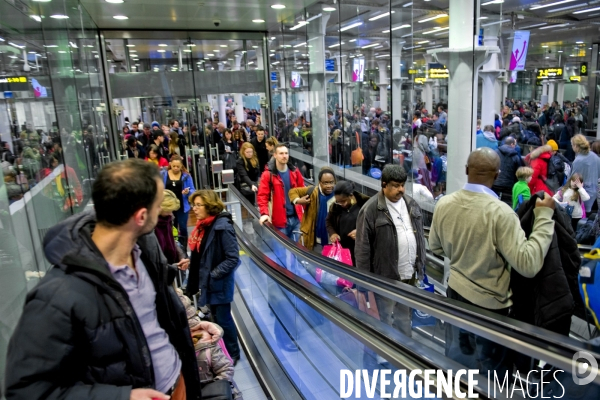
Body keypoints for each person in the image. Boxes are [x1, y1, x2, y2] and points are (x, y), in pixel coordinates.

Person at [4, 159, 213, 400]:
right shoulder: (56, 295)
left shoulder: (143, 250)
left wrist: (184, 327)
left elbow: (146, 316)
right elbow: (27, 390)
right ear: (141, 216)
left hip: (177, 383)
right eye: (158, 207)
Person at [429, 147, 555, 375]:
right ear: (497, 175)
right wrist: (545, 217)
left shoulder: (444, 204)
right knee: (492, 377)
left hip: (455, 296)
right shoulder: (502, 213)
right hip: (491, 309)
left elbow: (435, 247)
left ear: (467, 170)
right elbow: (528, 264)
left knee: (456, 367)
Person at [355, 164, 427, 339]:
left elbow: (419, 238)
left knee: (404, 316)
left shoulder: (411, 204)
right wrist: (363, 283)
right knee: (384, 317)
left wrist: (421, 268)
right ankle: (385, 353)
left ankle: (405, 350)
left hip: (409, 274)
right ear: (384, 185)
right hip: (385, 276)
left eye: (402, 185)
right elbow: (362, 249)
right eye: (395, 185)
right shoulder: (371, 210)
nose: (400, 189)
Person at [185, 190, 241, 365]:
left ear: (209, 206)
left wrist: (213, 274)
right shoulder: (204, 226)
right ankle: (221, 350)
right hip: (210, 282)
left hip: (219, 283)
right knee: (216, 318)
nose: (194, 208)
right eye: (194, 205)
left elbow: (233, 258)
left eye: (198, 205)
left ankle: (232, 353)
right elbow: (203, 254)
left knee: (223, 318)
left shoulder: (222, 227)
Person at [257, 144, 305, 240]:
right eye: (281, 153)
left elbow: (302, 191)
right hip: (279, 222)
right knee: (281, 253)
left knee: (298, 252)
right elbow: (262, 196)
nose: (284, 156)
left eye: (286, 153)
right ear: (275, 155)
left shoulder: (295, 172)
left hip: (296, 219)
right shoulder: (268, 175)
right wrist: (264, 213)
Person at [288, 167, 336, 251]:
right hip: (316, 242)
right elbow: (292, 192)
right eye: (325, 183)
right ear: (320, 183)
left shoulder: (339, 194)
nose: (329, 186)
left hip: (334, 242)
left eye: (331, 182)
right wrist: (298, 201)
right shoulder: (313, 191)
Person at [326, 181, 370, 266]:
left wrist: (360, 232)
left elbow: (373, 225)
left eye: (343, 201)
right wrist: (333, 233)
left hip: (361, 251)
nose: (341, 204)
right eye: (338, 201)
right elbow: (329, 221)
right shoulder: (335, 207)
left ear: (351, 195)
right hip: (343, 251)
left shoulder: (365, 205)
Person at [161, 155, 195, 249]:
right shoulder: (163, 174)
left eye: (178, 166)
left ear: (181, 166)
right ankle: (172, 247)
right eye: (174, 166)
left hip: (182, 206)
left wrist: (188, 192)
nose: (176, 168)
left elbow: (193, 189)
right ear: (170, 165)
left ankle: (183, 248)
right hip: (168, 206)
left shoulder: (186, 176)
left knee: (183, 227)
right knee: (170, 227)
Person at [155, 190, 190, 274]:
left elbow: (172, 240)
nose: (171, 214)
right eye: (168, 210)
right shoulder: (149, 225)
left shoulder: (168, 219)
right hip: (159, 268)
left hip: (170, 263)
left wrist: (181, 257)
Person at [570, 134, 599, 213]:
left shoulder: (578, 161)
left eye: (572, 145)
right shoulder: (595, 157)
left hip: (583, 196)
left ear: (576, 146)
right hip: (595, 194)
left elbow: (573, 181)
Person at [492, 137, 523, 206]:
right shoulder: (515, 156)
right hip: (508, 185)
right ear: (512, 144)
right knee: (506, 205)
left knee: (493, 204)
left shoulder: (495, 152)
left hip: (495, 183)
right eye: (515, 145)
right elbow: (518, 173)